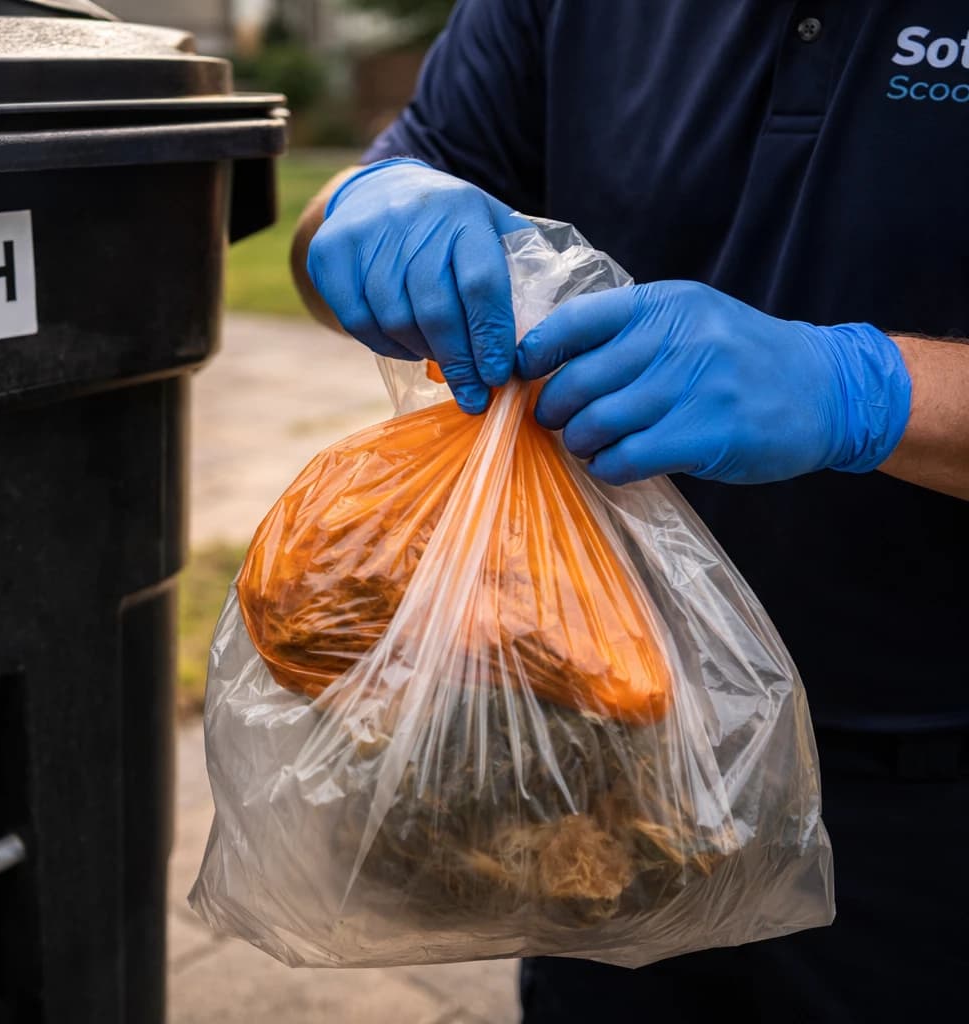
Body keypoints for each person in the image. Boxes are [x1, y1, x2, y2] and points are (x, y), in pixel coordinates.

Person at [290, 3, 969, 1021]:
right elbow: (340, 222)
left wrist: (866, 388)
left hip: (932, 797)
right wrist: (365, 201)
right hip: (591, 763)